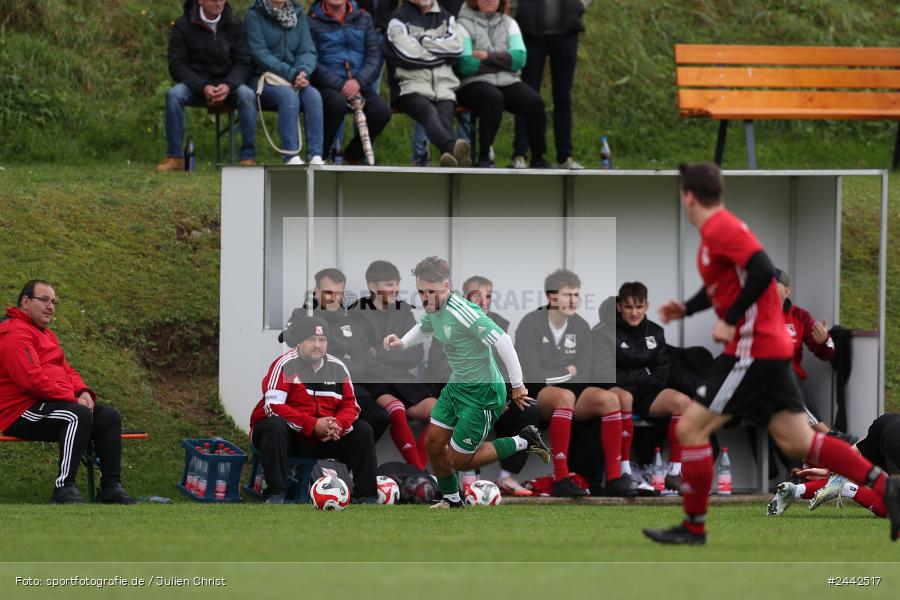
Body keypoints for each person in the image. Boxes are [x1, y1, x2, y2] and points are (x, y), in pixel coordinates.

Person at [643, 162, 900, 545]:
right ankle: (886, 485)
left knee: (688, 427)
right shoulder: (716, 232)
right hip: (767, 350)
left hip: (753, 349)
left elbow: (763, 269)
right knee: (800, 441)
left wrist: (730, 320)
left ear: (688, 196)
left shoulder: (720, 227)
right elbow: (722, 285)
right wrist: (688, 308)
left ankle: (694, 527)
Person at [383, 257, 550, 508]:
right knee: (434, 442)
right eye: (421, 291)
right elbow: (424, 327)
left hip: (483, 394)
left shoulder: (464, 310)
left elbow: (503, 341)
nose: (425, 297)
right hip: (456, 387)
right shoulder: (434, 309)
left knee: (458, 460)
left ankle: (525, 440)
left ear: (446, 286)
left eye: (431, 291)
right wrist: (402, 343)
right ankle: (452, 500)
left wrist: (517, 385)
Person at [0, 280, 134, 504]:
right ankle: (64, 488)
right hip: (20, 411)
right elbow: (31, 380)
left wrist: (83, 392)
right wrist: (72, 399)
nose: (50, 306)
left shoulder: (46, 335)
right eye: (44, 300)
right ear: (25, 302)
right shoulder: (14, 333)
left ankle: (111, 487)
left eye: (53, 301)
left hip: (51, 404)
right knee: (76, 414)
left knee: (108, 417)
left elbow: (67, 370)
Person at [515, 269, 635, 497]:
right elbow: (533, 374)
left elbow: (584, 373)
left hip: (574, 392)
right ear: (551, 297)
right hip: (539, 393)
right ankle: (561, 478)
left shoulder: (580, 326)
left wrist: (564, 373)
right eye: (567, 295)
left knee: (610, 399)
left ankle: (614, 479)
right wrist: (566, 371)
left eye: (576, 295)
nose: (574, 301)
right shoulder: (530, 323)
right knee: (564, 397)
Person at [250, 313, 377, 504]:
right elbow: (273, 407)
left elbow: (351, 405)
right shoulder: (284, 364)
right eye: (311, 339)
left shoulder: (339, 367)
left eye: (322, 340)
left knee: (363, 430)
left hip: (323, 437)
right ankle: (275, 493)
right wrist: (312, 424)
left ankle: (366, 497)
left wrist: (338, 425)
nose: (318, 345)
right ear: (299, 343)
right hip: (288, 436)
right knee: (274, 425)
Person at [279, 268, 390, 442]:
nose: (334, 298)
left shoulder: (351, 322)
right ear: (316, 292)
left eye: (339, 293)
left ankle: (342, 458)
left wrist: (328, 357)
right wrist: (340, 354)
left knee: (379, 417)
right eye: (328, 292)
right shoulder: (302, 316)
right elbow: (291, 341)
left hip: (344, 387)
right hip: (310, 386)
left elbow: (360, 366)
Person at [607, 282, 692, 491]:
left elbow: (662, 372)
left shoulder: (656, 331)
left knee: (683, 402)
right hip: (619, 393)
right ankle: (624, 471)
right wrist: (642, 372)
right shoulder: (607, 331)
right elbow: (607, 372)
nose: (634, 313)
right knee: (623, 397)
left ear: (646, 306)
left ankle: (674, 472)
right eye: (628, 307)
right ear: (619, 306)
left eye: (639, 307)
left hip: (648, 393)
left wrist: (635, 374)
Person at [157, 0, 257, 171]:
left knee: (247, 95)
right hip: (196, 85)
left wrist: (228, 85)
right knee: (174, 95)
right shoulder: (183, 25)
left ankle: (248, 157)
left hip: (228, 85)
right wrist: (202, 86)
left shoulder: (236, 24)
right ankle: (175, 157)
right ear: (200, 1)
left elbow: (243, 63)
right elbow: (177, 65)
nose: (218, 3)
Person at [351, 260, 430, 470]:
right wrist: (396, 350)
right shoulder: (356, 312)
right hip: (373, 381)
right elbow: (361, 358)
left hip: (403, 380)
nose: (395, 289)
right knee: (396, 410)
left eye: (397, 284)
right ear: (372, 286)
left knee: (443, 415)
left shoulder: (404, 312)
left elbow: (416, 355)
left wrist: (378, 351)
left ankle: (419, 472)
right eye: (389, 284)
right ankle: (420, 474)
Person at [455, 0, 547, 168]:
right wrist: (504, 59)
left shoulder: (509, 23)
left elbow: (520, 59)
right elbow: (466, 64)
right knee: (493, 97)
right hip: (472, 83)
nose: (490, 0)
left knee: (535, 102)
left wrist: (486, 56)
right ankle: (484, 157)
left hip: (507, 80)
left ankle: (538, 159)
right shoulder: (462, 24)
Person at [383, 0, 471, 167]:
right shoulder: (397, 20)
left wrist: (423, 41)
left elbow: (457, 48)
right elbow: (408, 54)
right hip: (408, 87)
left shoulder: (447, 17)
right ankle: (453, 150)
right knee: (429, 112)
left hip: (443, 87)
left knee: (444, 120)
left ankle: (450, 161)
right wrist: (441, 52)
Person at [308, 0, 393, 165]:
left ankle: (352, 157)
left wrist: (358, 81)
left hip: (358, 84)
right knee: (336, 104)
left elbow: (374, 56)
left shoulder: (363, 17)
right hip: (328, 85)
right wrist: (340, 84)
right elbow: (312, 60)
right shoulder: (312, 21)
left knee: (381, 112)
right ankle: (320, 157)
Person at [769, 413, 900, 519]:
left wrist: (832, 468)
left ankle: (794, 491)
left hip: (888, 421)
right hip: (893, 436)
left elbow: (861, 447)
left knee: (861, 475)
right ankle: (846, 488)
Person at [509, 0, 591, 170]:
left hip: (566, 34)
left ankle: (564, 157)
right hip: (530, 33)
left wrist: (580, 5)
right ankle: (520, 154)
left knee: (563, 97)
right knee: (526, 96)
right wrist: (515, 11)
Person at [245, 0, 325, 165]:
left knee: (314, 96)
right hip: (263, 79)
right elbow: (260, 54)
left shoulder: (298, 14)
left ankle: (315, 155)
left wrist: (303, 72)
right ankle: (291, 156)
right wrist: (292, 74)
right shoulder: (254, 16)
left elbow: (307, 50)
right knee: (288, 97)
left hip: (295, 78)